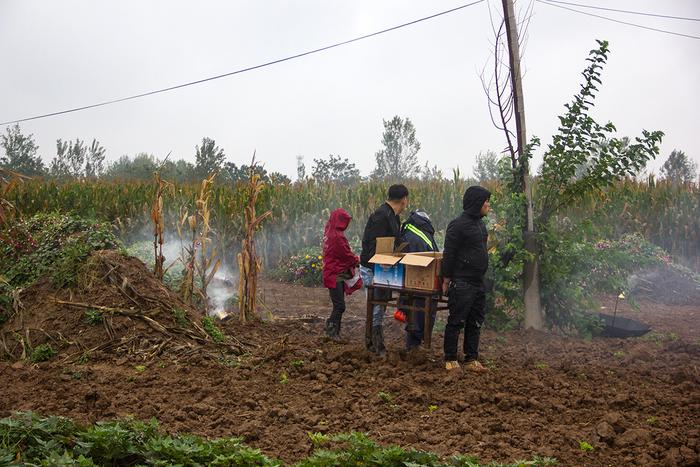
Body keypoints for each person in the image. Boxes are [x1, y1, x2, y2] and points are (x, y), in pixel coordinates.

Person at [441, 186, 491, 372]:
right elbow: (450, 253)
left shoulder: (480, 224)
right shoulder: (458, 225)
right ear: (476, 202)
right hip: (462, 282)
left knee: (475, 321)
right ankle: (450, 359)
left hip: (478, 281)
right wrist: (446, 279)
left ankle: (471, 359)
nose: (488, 204)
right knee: (456, 320)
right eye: (485, 201)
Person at [359, 184, 409, 355]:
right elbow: (371, 245)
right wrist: (379, 263)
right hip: (372, 268)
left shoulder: (394, 217)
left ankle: (374, 342)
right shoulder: (381, 216)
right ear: (403, 199)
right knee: (376, 306)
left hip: (383, 268)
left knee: (380, 304)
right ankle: (374, 343)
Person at [398, 210, 438, 350]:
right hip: (421, 281)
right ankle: (416, 344)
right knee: (421, 311)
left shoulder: (407, 229)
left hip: (405, 280)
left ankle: (412, 345)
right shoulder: (422, 234)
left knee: (412, 310)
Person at [322, 208, 361, 342]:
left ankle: (333, 328)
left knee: (338, 305)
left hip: (332, 271)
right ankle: (332, 330)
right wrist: (357, 260)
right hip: (335, 274)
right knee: (340, 306)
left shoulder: (329, 231)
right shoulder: (337, 236)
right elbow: (345, 254)